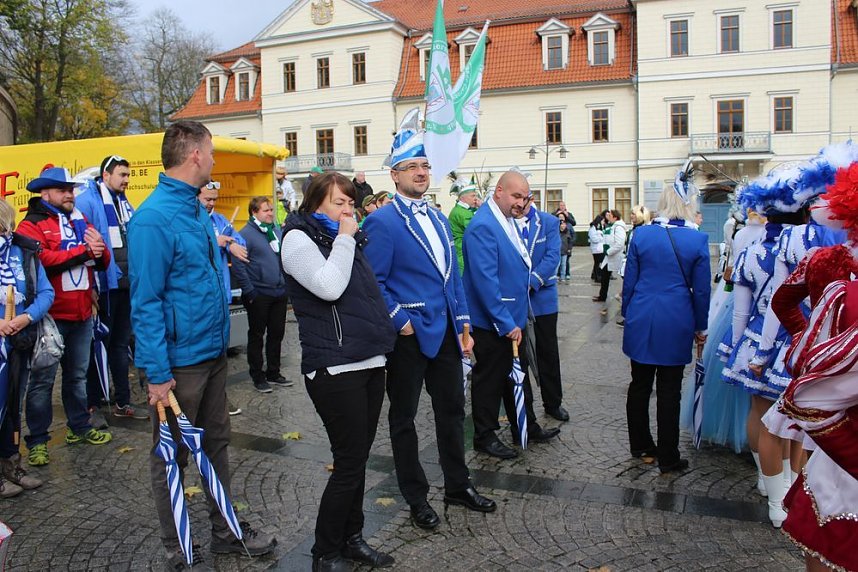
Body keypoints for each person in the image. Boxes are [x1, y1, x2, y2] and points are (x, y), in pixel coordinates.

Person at [128, 121, 275, 569]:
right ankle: (178, 548)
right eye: (210, 152)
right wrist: (156, 373)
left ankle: (225, 531)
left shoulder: (194, 210)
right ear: (193, 154)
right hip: (178, 365)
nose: (214, 161)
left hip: (209, 356)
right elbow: (146, 301)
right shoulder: (154, 219)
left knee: (216, 444)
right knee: (171, 456)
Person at [362, 109, 495, 531]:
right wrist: (399, 319)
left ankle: (458, 484)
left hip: (446, 337)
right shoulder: (381, 221)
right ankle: (415, 496)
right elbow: (373, 282)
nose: (421, 172)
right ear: (395, 175)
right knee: (403, 419)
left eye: (425, 165)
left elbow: (451, 277)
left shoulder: (438, 216)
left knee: (452, 413)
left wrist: (464, 327)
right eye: (412, 167)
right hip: (407, 338)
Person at [281, 171, 397, 572]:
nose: (348, 209)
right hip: (334, 367)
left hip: (368, 359)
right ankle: (324, 553)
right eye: (338, 202)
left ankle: (352, 538)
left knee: (359, 459)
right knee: (347, 462)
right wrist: (346, 237)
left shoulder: (344, 239)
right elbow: (328, 286)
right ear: (315, 204)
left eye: (350, 202)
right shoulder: (298, 240)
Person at [17, 167, 113, 467]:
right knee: (42, 381)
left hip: (82, 312)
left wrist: (98, 252)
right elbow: (41, 261)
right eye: (62, 189)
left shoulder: (79, 219)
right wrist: (85, 252)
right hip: (50, 316)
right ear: (45, 194)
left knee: (77, 377)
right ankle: (37, 441)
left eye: (71, 188)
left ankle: (79, 427)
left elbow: (101, 257)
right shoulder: (30, 225)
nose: (70, 194)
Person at [464, 170, 561, 460]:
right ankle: (484, 435)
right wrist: (506, 322)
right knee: (490, 379)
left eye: (525, 197)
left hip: (511, 316)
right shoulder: (483, 225)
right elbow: (485, 281)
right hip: (493, 321)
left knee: (514, 377)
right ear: (499, 192)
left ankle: (525, 424)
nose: (522, 202)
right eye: (517, 196)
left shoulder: (504, 220)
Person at [621, 173, 710, 474]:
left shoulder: (641, 235)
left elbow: (629, 282)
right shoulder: (697, 239)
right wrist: (702, 326)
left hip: (642, 315)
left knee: (639, 384)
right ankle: (669, 456)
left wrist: (628, 312)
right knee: (670, 389)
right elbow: (701, 291)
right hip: (676, 319)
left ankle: (640, 444)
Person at [75, 154, 147, 422]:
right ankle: (93, 403)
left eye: (128, 175)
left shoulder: (124, 203)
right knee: (98, 344)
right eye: (122, 175)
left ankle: (122, 401)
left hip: (126, 284)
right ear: (106, 176)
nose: (127, 180)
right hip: (104, 285)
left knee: (119, 344)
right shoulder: (88, 201)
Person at [0, 199, 53, 498]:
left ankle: (11, 464)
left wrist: (26, 317)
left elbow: (46, 291)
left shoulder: (25, 252)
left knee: (12, 408)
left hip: (18, 342)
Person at [516, 197, 569, 422]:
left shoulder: (548, 222)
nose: (519, 204)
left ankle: (553, 402)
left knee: (548, 352)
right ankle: (525, 408)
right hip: (515, 300)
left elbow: (552, 257)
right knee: (520, 355)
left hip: (542, 298)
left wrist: (532, 281)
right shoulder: (505, 222)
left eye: (523, 198)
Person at [231, 196, 292, 393]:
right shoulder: (246, 234)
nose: (271, 213)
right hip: (259, 293)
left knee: (277, 334)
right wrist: (249, 290)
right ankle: (257, 375)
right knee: (257, 336)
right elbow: (238, 265)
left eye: (271, 210)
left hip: (279, 292)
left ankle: (274, 372)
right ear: (254, 212)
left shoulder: (275, 230)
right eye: (266, 210)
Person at [198, 180, 248, 417]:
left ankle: (218, 398)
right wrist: (213, 242)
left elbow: (239, 240)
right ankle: (201, 400)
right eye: (207, 199)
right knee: (203, 353)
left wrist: (231, 243)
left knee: (220, 351)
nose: (211, 203)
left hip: (221, 295)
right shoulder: (191, 220)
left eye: (214, 199)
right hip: (200, 298)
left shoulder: (219, 220)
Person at [593, 210, 626, 313]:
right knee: (604, 276)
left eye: (610, 215)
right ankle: (602, 296)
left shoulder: (619, 227)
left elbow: (619, 243)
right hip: (610, 256)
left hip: (616, 256)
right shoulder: (613, 226)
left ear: (615, 217)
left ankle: (624, 296)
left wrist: (609, 251)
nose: (608, 216)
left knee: (624, 277)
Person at [447, 179, 479, 275]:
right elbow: (479, 231)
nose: (476, 198)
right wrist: (483, 208)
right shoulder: (462, 213)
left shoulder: (460, 210)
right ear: (463, 198)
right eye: (473, 195)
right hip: (463, 257)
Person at [588, 214, 606, 283]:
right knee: (598, 263)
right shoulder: (593, 228)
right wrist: (601, 238)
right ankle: (597, 277)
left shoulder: (600, 227)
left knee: (598, 263)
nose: (603, 222)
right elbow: (594, 239)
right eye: (603, 221)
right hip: (596, 249)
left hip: (600, 248)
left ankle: (597, 275)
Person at [558, 218, 574, 283]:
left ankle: (563, 276)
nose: (563, 226)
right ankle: (556, 276)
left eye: (564, 224)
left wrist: (569, 249)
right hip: (558, 251)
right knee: (557, 264)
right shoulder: (557, 233)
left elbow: (570, 242)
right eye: (562, 224)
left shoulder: (567, 233)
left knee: (563, 264)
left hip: (565, 251)